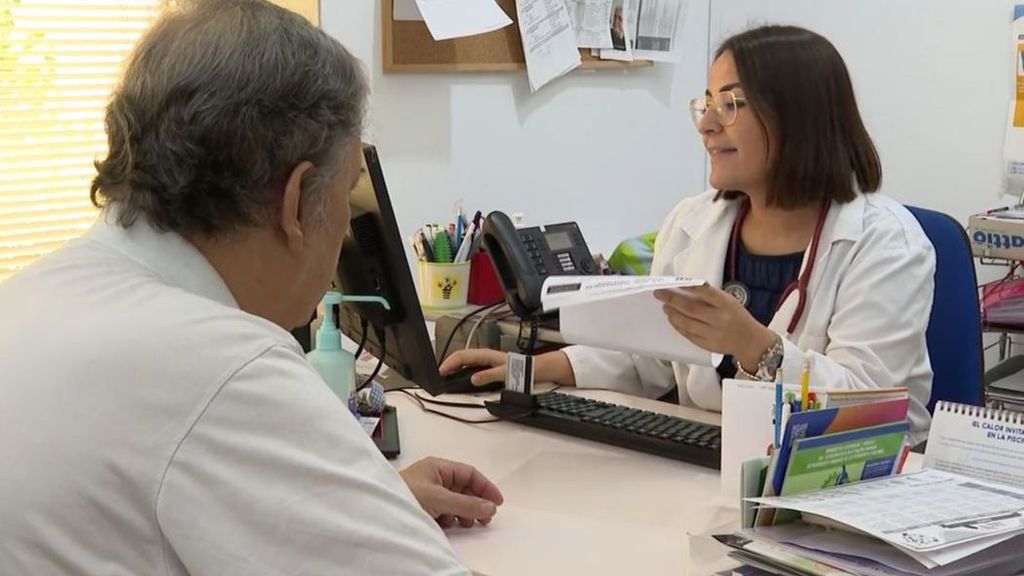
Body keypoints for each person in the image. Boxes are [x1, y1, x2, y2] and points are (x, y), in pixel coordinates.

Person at [0, 1, 500, 574]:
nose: (344, 227)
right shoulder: (225, 364)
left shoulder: (34, 295)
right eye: (347, 191)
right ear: (296, 203)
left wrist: (353, 504)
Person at [442, 25, 936, 443]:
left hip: (846, 484)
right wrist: (524, 367)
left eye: (731, 105)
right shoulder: (693, 222)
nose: (706, 124)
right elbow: (647, 360)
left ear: (798, 118)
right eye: (705, 103)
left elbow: (874, 407)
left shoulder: (886, 243)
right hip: (716, 465)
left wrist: (757, 348)